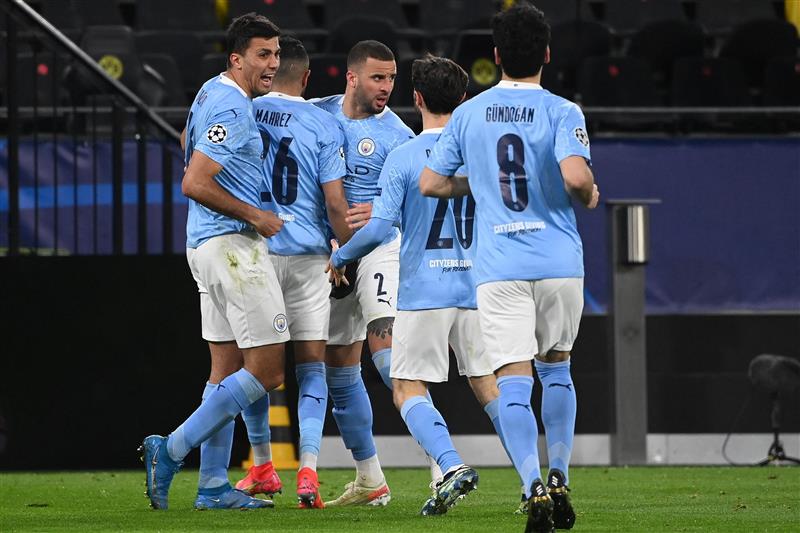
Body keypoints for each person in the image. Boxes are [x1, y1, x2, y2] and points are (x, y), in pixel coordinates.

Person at [419, 4, 600, 533]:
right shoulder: (564, 110)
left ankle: (532, 484)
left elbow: (432, 183)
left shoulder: (470, 113)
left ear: (495, 57)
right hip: (559, 262)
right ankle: (561, 474)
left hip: (499, 265)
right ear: (546, 53)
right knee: (558, 366)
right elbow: (573, 175)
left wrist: (477, 182)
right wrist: (588, 191)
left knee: (513, 380)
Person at [328, 55, 516, 516]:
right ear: (464, 99)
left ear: (416, 98)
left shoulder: (406, 155)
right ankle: (534, 481)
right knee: (489, 386)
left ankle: (450, 466)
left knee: (406, 386)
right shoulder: (481, 154)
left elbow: (377, 230)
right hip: (475, 289)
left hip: (424, 291)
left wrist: (340, 255)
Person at [139, 13, 290, 511]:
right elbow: (194, 181)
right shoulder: (233, 106)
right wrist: (256, 214)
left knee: (224, 373)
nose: (272, 64)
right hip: (231, 247)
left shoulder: (210, 91)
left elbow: (187, 144)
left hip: (203, 244)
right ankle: (172, 448)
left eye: (275, 53)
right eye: (262, 55)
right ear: (237, 58)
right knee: (267, 370)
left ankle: (211, 489)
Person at [234, 36, 352, 510]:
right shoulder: (322, 124)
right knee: (311, 366)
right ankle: (308, 470)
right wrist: (344, 250)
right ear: (306, 78)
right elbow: (336, 203)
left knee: (257, 368)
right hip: (307, 259)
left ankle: (262, 464)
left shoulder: (243, 110)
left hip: (257, 251)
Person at [313, 40, 415, 506]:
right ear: (351, 77)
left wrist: (386, 207)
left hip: (378, 249)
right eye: (378, 77)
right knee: (338, 368)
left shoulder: (397, 134)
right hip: (331, 254)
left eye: (392, 78)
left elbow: (425, 194)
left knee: (386, 347)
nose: (386, 87)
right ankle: (371, 479)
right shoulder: (316, 113)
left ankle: (441, 466)